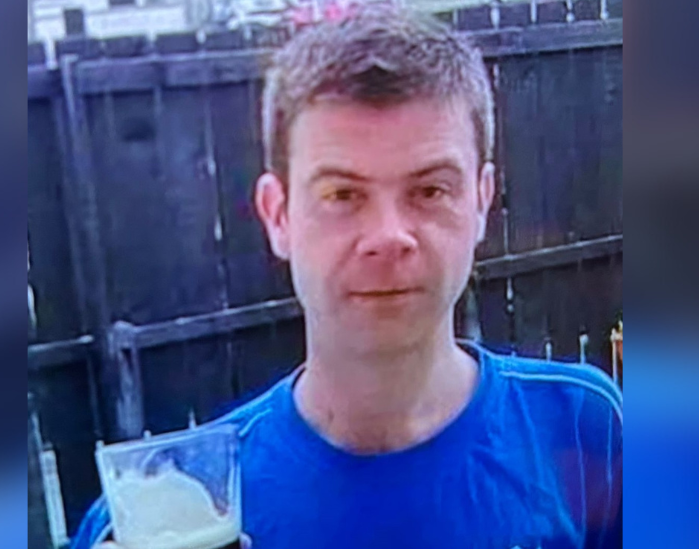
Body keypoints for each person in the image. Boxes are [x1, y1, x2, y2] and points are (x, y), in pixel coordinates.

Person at [88, 4, 621, 548]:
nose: (389, 235)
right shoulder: (162, 518)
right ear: (278, 215)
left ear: (482, 202)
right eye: (342, 195)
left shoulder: (584, 430)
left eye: (430, 190)